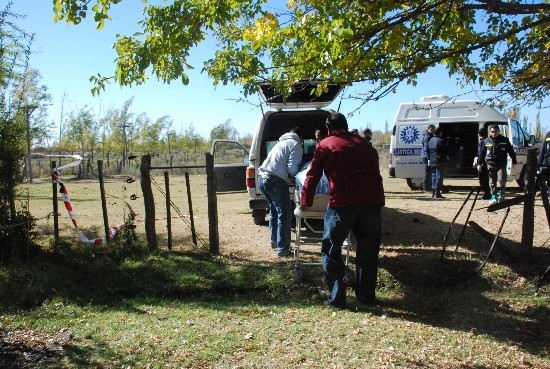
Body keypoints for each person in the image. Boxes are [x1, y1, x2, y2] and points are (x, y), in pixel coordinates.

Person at [300, 112, 385, 309]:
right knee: (368, 250)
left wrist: (306, 200)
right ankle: (366, 297)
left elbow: (312, 175)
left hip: (343, 203)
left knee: (331, 250)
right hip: (372, 202)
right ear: (347, 126)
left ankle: (337, 299)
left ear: (328, 128)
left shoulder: (325, 144)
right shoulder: (364, 143)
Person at [258, 127, 304, 258]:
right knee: (284, 214)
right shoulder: (296, 145)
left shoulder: (280, 143)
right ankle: (283, 249)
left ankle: (274, 242)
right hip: (276, 181)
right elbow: (292, 169)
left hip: (263, 179)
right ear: (300, 137)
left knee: (274, 211)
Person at [479, 124, 517, 204]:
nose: (494, 133)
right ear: (490, 132)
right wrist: (480, 163)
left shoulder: (505, 140)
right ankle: (494, 196)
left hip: (501, 163)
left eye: (496, 131)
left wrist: (514, 161)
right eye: (492, 132)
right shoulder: (486, 141)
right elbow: (482, 153)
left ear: (499, 131)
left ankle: (502, 191)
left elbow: (511, 151)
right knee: (492, 181)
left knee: (502, 178)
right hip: (490, 163)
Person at [427, 127, 448, 199]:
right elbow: (444, 151)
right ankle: (437, 192)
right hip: (439, 160)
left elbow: (428, 150)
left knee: (434, 176)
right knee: (439, 176)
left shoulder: (430, 140)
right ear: (440, 133)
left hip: (432, 160)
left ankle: (433, 191)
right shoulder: (441, 140)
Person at [476, 128, 492, 200]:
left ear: (479, 134)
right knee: (486, 179)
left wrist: (479, 163)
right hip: (486, 162)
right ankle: (487, 193)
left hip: (483, 163)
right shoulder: (488, 140)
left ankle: (487, 194)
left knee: (482, 179)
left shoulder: (483, 142)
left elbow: (481, 153)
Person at [421, 125, 436, 192]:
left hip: (428, 156)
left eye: (433, 129)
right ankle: (426, 188)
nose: (432, 130)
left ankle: (429, 186)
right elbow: (426, 148)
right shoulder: (427, 137)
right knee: (427, 172)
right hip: (426, 157)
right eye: (431, 129)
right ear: (428, 129)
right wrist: (429, 158)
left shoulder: (430, 136)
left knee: (429, 172)